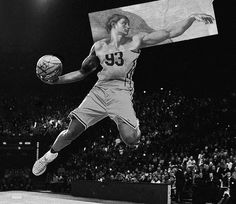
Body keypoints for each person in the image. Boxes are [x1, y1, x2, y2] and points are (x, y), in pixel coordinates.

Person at [32, 12, 214, 176]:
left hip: (121, 90)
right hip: (100, 90)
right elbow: (82, 72)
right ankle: (48, 156)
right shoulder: (98, 46)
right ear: (112, 26)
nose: (128, 26)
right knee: (72, 131)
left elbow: (168, 32)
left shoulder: (136, 40)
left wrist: (191, 17)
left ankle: (134, 124)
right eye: (123, 23)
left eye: (128, 24)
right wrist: (57, 80)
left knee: (130, 139)